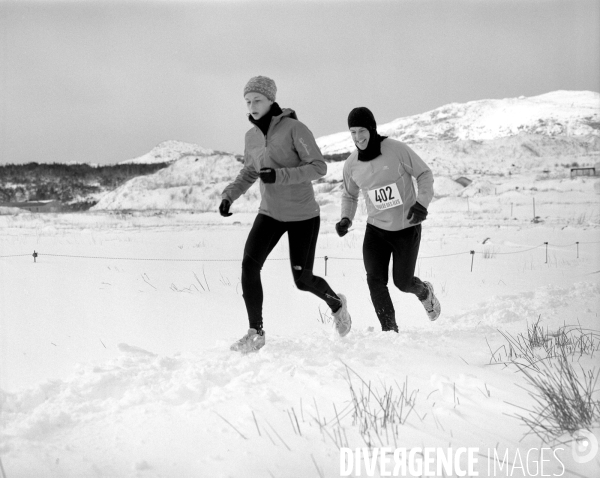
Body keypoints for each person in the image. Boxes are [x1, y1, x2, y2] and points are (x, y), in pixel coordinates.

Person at [220, 76, 351, 353]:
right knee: (249, 266)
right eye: (248, 101)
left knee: (303, 280)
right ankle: (256, 332)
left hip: (303, 215)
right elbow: (250, 172)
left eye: (257, 100)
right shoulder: (251, 137)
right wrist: (229, 195)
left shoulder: (295, 129)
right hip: (270, 213)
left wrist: (279, 175)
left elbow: (318, 167)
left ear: (270, 101)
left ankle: (337, 304)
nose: (252, 106)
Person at [336, 107, 441, 332]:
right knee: (375, 280)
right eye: (352, 132)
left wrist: (422, 203)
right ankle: (389, 330)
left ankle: (425, 292)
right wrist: (346, 218)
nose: (358, 138)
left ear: (372, 129)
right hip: (376, 230)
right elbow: (349, 194)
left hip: (406, 227)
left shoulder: (396, 150)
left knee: (403, 283)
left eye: (362, 131)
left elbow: (424, 174)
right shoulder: (352, 164)